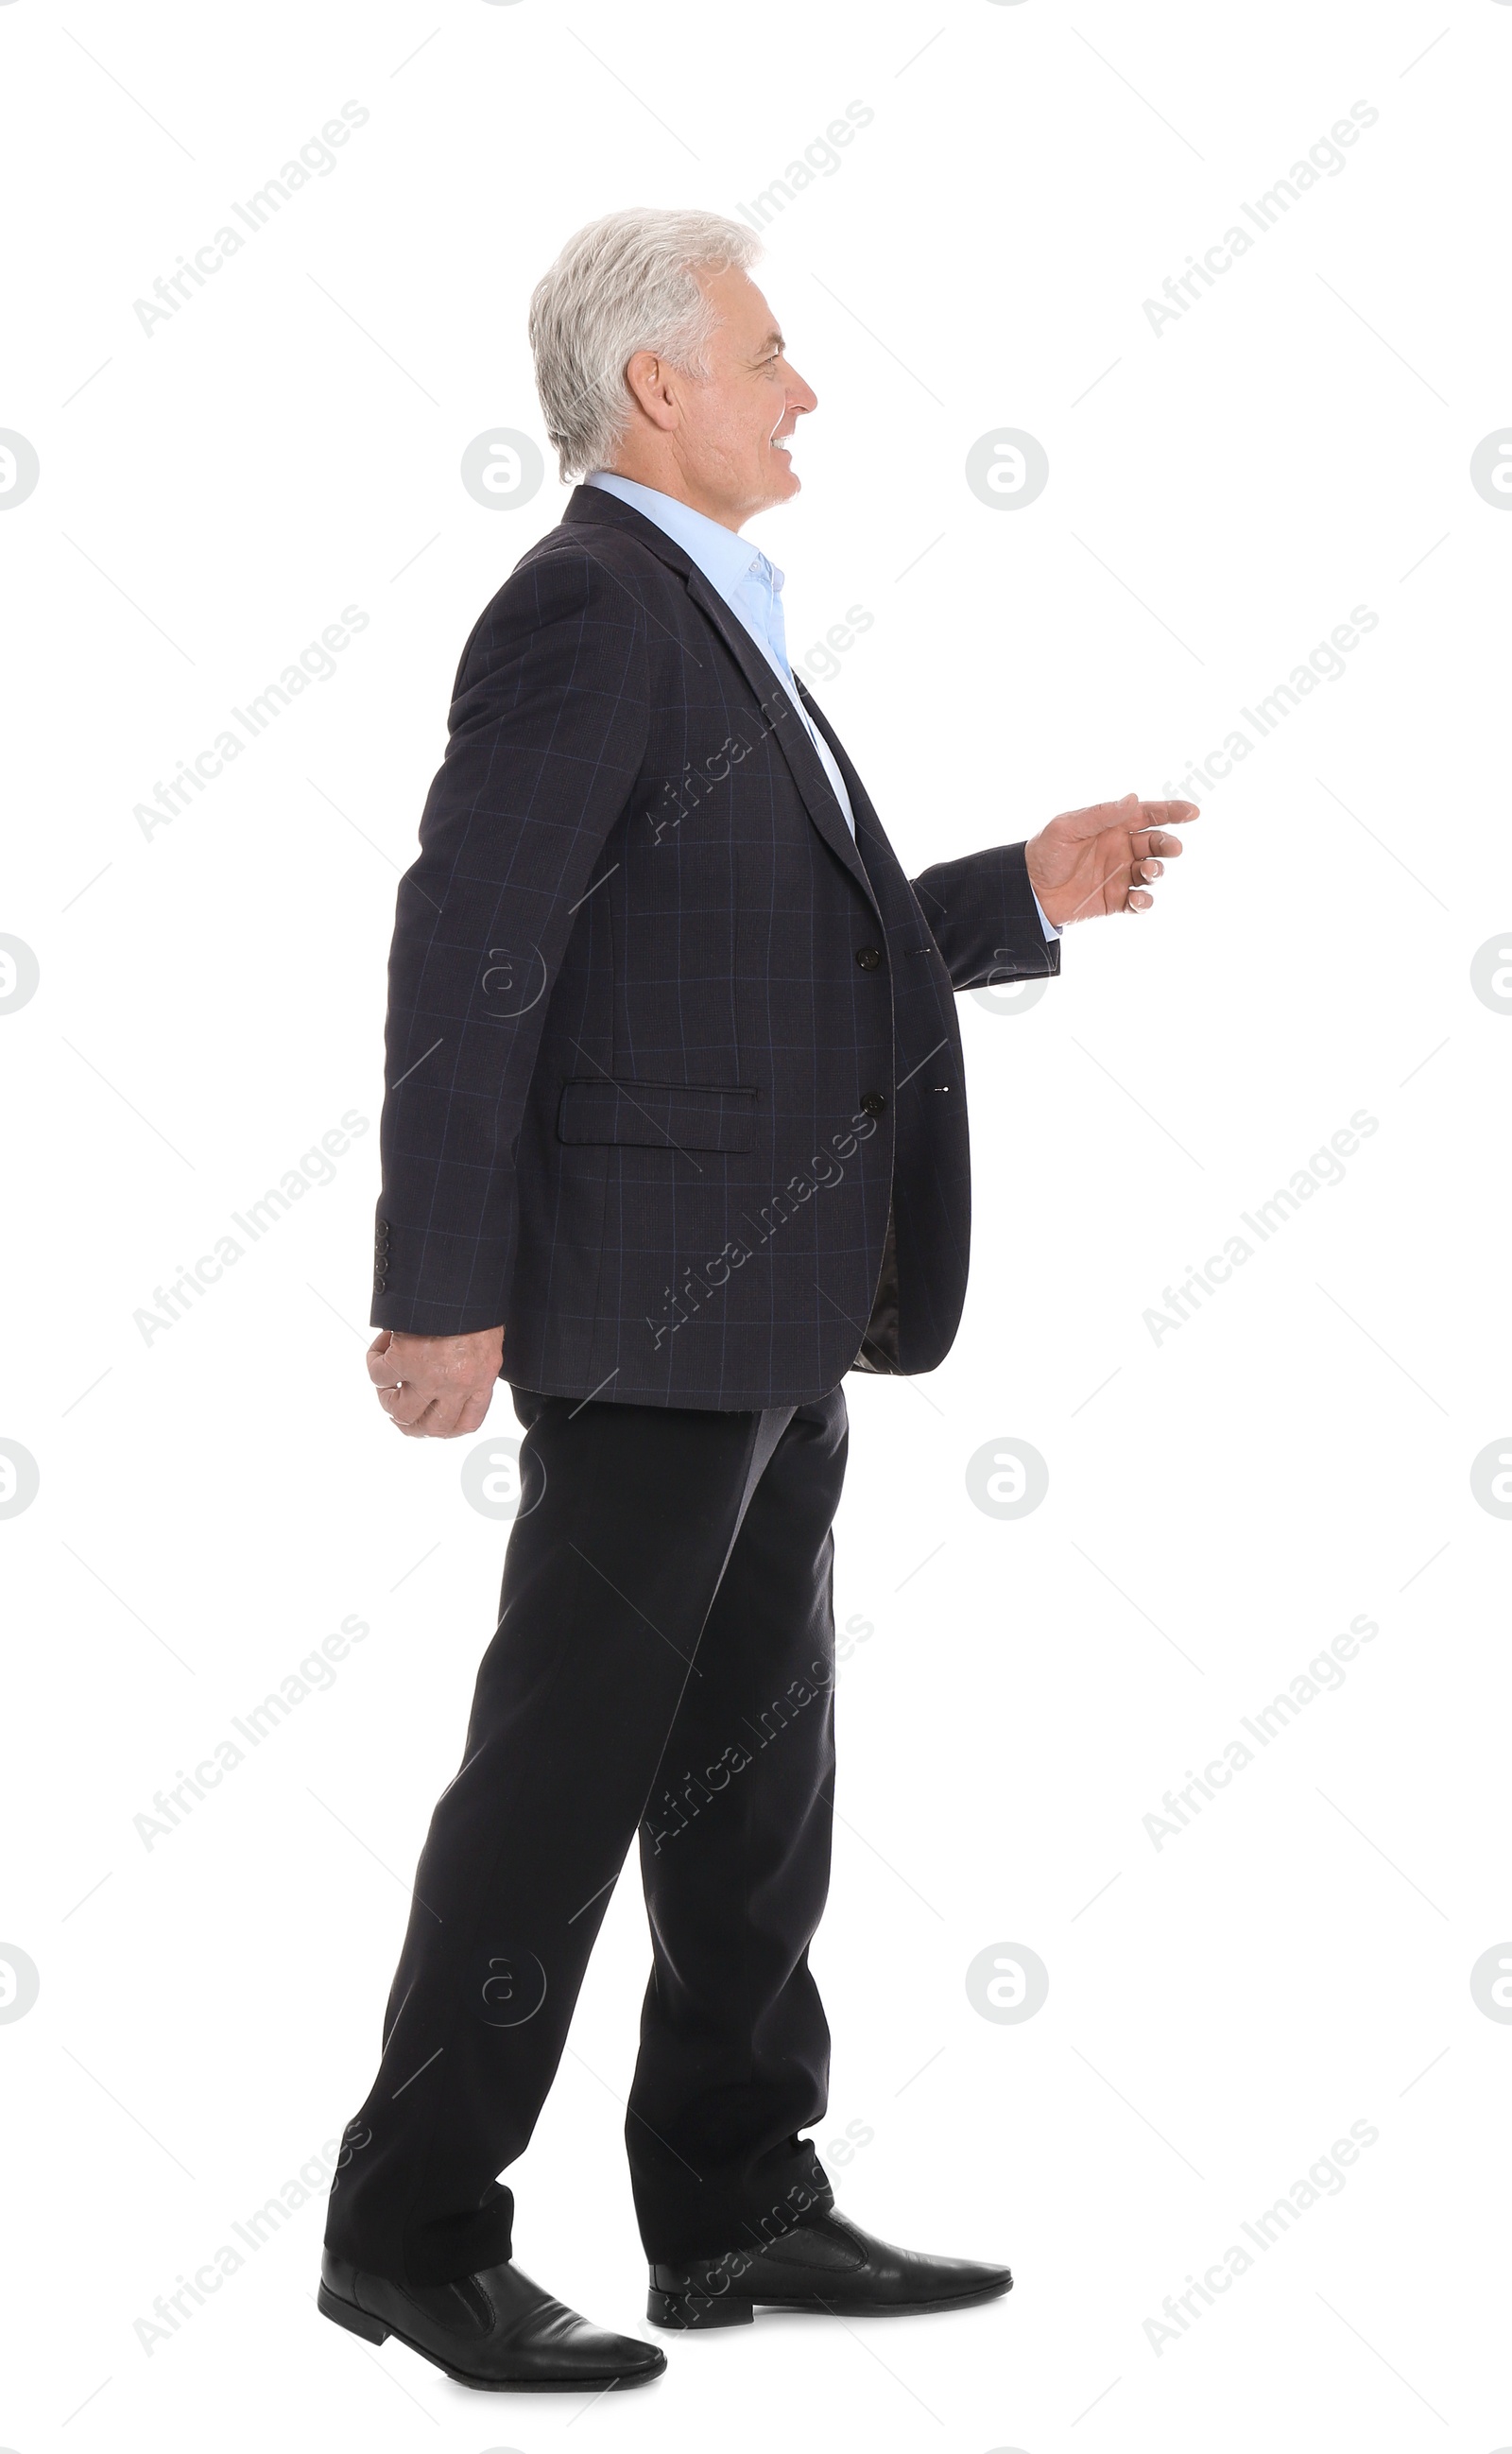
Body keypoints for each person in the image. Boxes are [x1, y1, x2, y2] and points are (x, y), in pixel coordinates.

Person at [318, 205, 1195, 2393]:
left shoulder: (713, 619)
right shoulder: (587, 614)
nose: (805, 388)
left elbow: (756, 944)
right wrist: (440, 1289)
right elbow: (474, 949)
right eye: (771, 352)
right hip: (631, 1309)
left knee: (744, 1770)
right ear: (657, 390)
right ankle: (411, 2230)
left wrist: (1015, 891)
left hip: (776, 1306)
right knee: (562, 1776)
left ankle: (728, 2195)